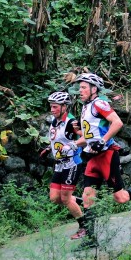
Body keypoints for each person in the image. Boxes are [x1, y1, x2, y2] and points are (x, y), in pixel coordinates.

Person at [72, 72, 131, 242]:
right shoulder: (86, 106)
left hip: (106, 156)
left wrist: (103, 141)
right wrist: (76, 137)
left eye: (83, 87)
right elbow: (91, 134)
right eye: (79, 87)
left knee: (121, 198)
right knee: (88, 198)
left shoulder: (99, 103)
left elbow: (117, 122)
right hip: (92, 159)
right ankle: (91, 241)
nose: (80, 90)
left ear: (94, 89)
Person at [42, 91, 89, 240]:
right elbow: (58, 139)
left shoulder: (71, 122)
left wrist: (72, 146)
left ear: (64, 107)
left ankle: (84, 227)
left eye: (55, 107)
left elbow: (86, 138)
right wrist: (50, 148)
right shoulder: (55, 121)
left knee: (66, 198)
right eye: (51, 106)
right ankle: (83, 203)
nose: (52, 109)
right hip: (59, 165)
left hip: (72, 164)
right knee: (55, 198)